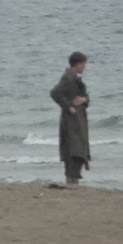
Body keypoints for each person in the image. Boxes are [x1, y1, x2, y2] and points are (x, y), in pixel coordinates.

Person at [50, 52, 92, 185]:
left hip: (79, 118)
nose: (85, 67)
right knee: (73, 148)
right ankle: (71, 179)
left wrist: (84, 99)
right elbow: (55, 93)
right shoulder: (67, 78)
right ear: (78, 64)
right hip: (71, 119)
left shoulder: (75, 79)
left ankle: (74, 179)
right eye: (83, 64)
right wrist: (68, 107)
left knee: (80, 147)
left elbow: (85, 96)